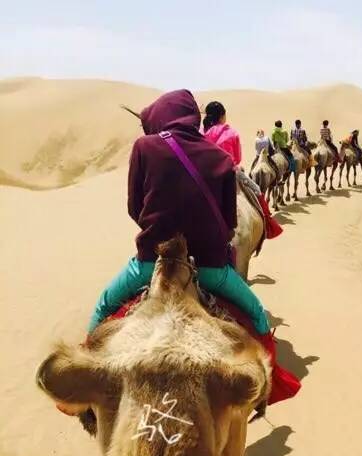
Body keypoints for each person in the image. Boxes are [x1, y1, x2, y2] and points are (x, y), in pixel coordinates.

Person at [88, 89, 271, 337]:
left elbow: (135, 209)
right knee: (258, 314)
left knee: (102, 309)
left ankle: (85, 354)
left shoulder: (144, 146)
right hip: (210, 267)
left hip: (152, 262)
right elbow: (230, 224)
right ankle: (268, 370)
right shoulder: (222, 158)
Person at [203, 102, 282, 240]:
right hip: (230, 172)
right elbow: (238, 159)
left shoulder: (202, 133)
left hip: (206, 174)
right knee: (257, 189)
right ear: (223, 116)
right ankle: (269, 225)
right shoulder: (231, 132)